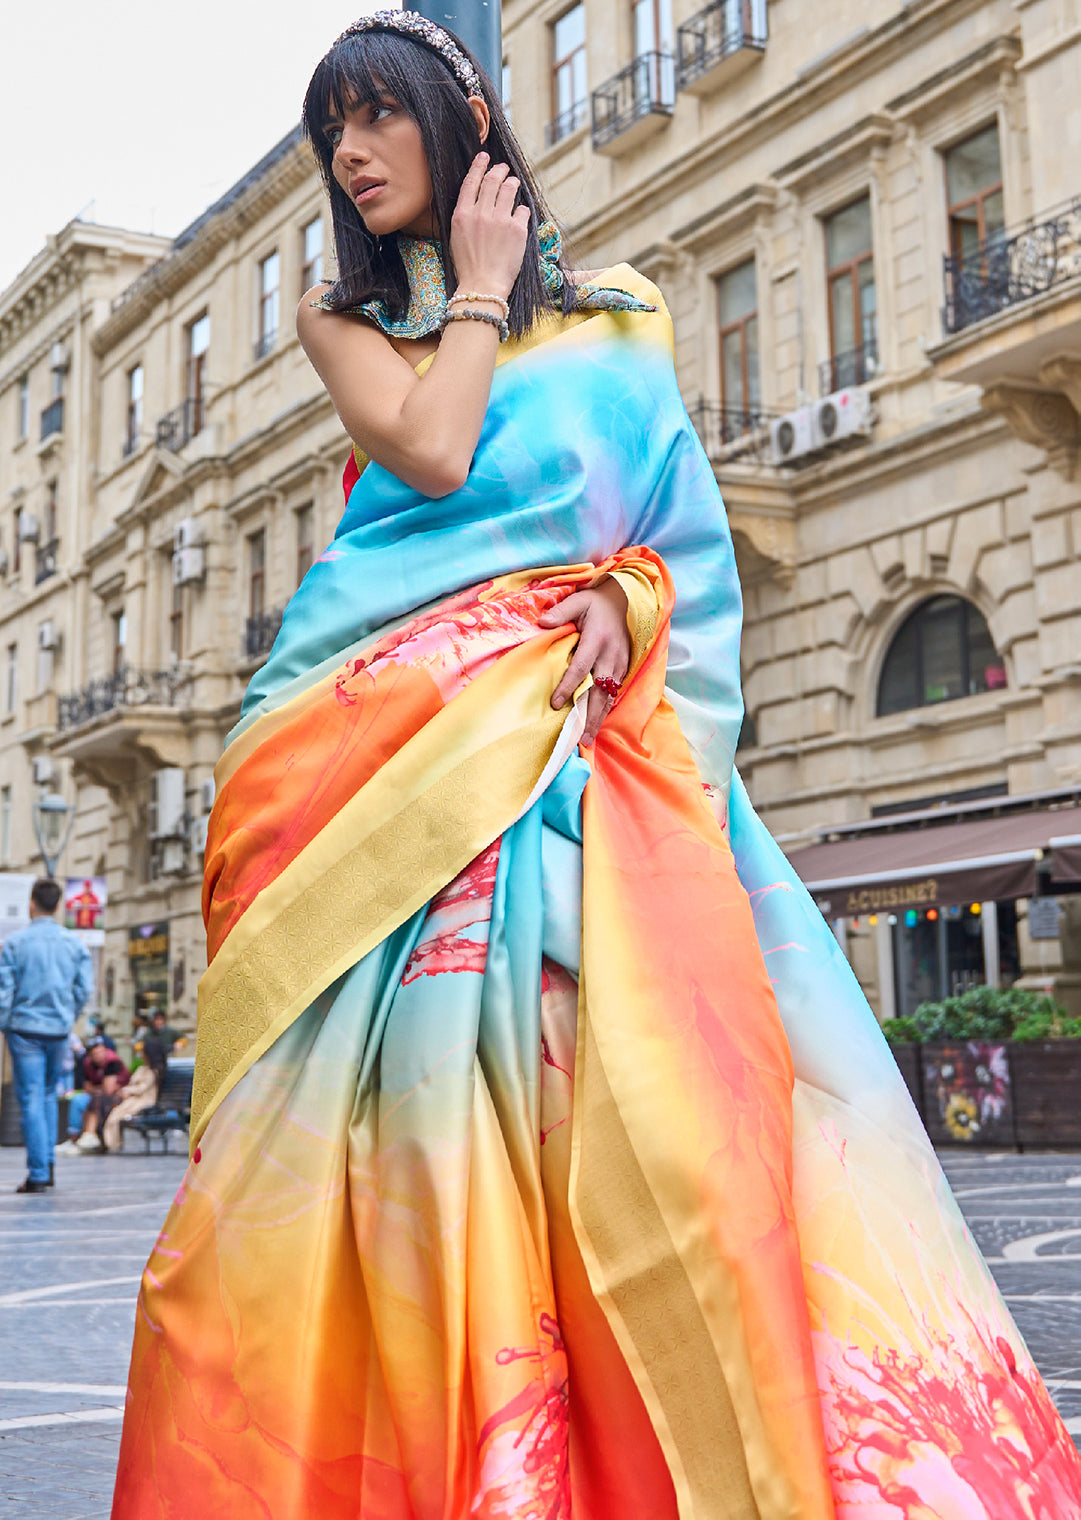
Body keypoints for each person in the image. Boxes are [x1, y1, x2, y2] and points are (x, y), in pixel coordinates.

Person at [112, 14, 1081, 1517]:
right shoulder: (342, 322)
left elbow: (678, 545)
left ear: (464, 119)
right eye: (330, 136)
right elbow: (433, 454)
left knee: (679, 1138)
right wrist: (484, 292)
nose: (352, 154)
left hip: (585, 776)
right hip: (385, 776)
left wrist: (630, 605)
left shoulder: (624, 315)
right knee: (425, 1159)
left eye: (377, 117)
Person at [0, 877, 93, 1193]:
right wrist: (68, 1015)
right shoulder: (73, 944)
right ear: (57, 907)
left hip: (24, 1029)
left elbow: (4, 993)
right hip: (59, 1030)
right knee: (49, 1093)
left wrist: (4, 1023)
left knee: (31, 1098)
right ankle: (48, 1164)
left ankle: (38, 1172)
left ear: (31, 904)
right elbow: (84, 989)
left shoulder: (15, 944)